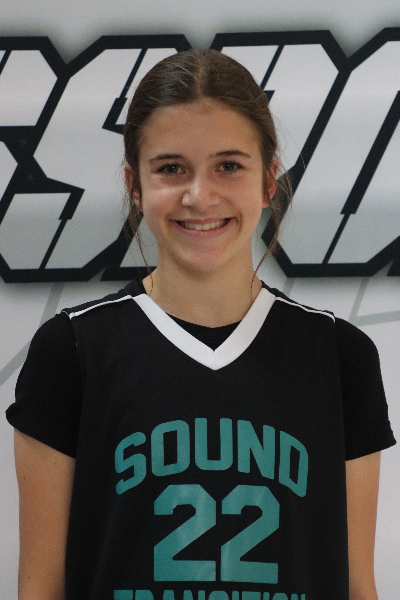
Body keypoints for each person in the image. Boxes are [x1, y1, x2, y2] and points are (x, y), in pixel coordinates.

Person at [6, 49, 396, 600]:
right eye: (171, 168)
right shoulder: (72, 350)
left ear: (269, 181)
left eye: (228, 166)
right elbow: (40, 588)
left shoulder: (339, 356)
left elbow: (357, 585)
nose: (199, 196)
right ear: (135, 185)